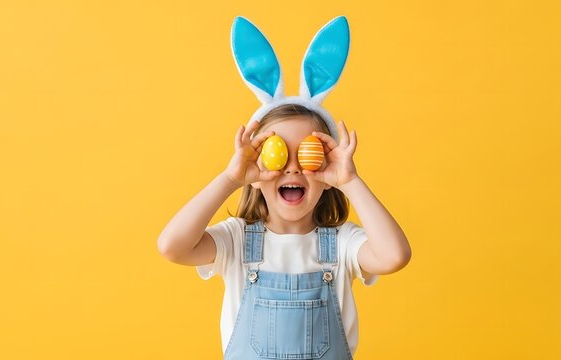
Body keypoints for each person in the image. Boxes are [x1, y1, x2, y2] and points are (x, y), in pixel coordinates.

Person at [158, 16, 411, 359]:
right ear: (256, 168)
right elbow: (171, 246)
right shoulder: (235, 241)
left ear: (327, 166)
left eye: (307, 154)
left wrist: (350, 181)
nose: (292, 165)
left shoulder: (343, 245)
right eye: (278, 155)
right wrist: (230, 178)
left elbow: (395, 256)